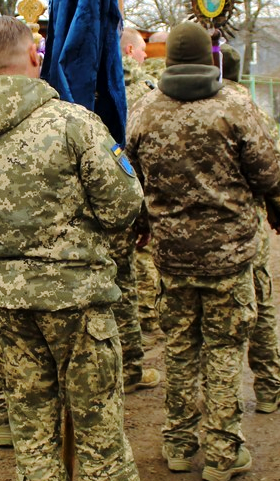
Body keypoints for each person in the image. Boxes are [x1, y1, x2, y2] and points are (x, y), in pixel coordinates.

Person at [0, 16, 145, 481]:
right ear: (35, 56)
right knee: (100, 439)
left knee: (32, 436)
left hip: (4, 306)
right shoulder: (74, 125)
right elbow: (123, 205)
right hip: (77, 303)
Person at [127, 22, 280, 481]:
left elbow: (133, 180)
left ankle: (179, 443)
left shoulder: (143, 111)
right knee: (223, 347)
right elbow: (269, 172)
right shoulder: (235, 106)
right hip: (229, 255)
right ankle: (223, 452)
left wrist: (142, 227)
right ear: (210, 59)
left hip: (171, 255)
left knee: (180, 347)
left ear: (169, 61)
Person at [218, 44, 280, 414]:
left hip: (197, 236)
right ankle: (268, 386)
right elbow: (275, 170)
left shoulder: (193, 107)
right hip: (249, 228)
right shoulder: (252, 111)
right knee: (260, 303)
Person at [120, 26, 162, 337]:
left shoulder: (91, 83)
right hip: (137, 180)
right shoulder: (147, 91)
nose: (146, 55)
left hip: (103, 184)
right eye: (142, 50)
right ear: (130, 52)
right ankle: (147, 316)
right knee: (143, 253)